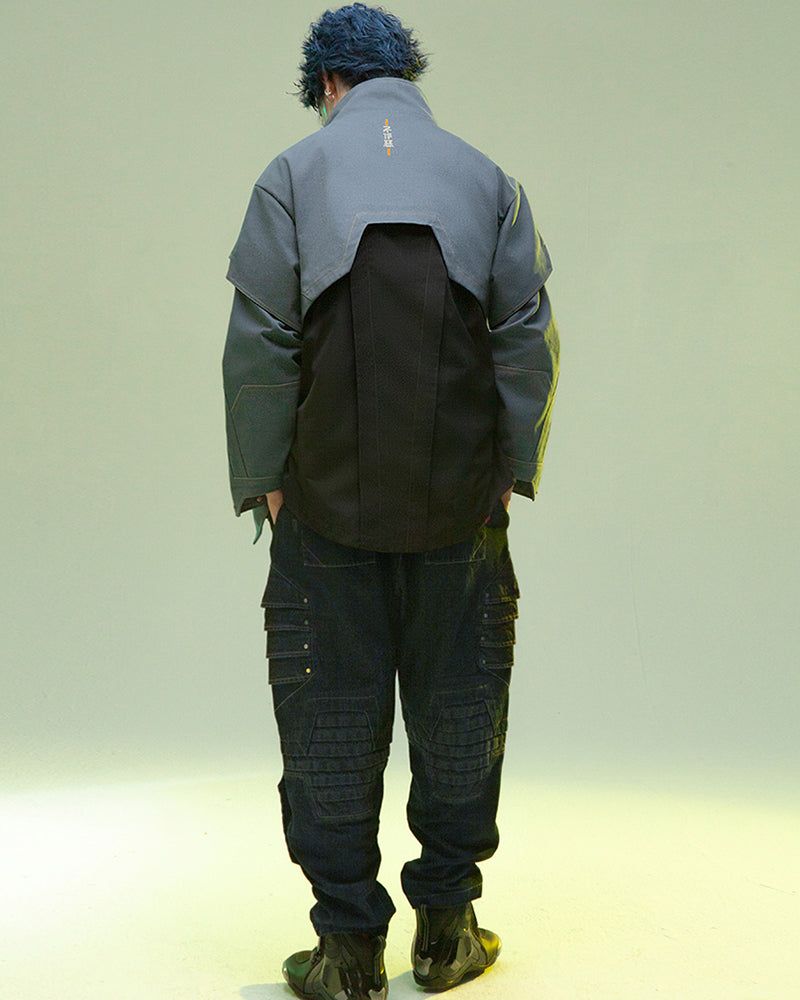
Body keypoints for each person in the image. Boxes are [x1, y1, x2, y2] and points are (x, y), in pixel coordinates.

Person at [222, 5, 559, 998]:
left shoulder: (292, 175)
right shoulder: (488, 179)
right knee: (462, 705)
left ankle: (345, 950)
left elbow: (260, 341)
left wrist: (264, 478)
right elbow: (526, 336)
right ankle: (447, 930)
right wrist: (510, 471)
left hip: (323, 508)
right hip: (462, 512)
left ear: (327, 83)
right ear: (403, 77)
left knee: (327, 714)